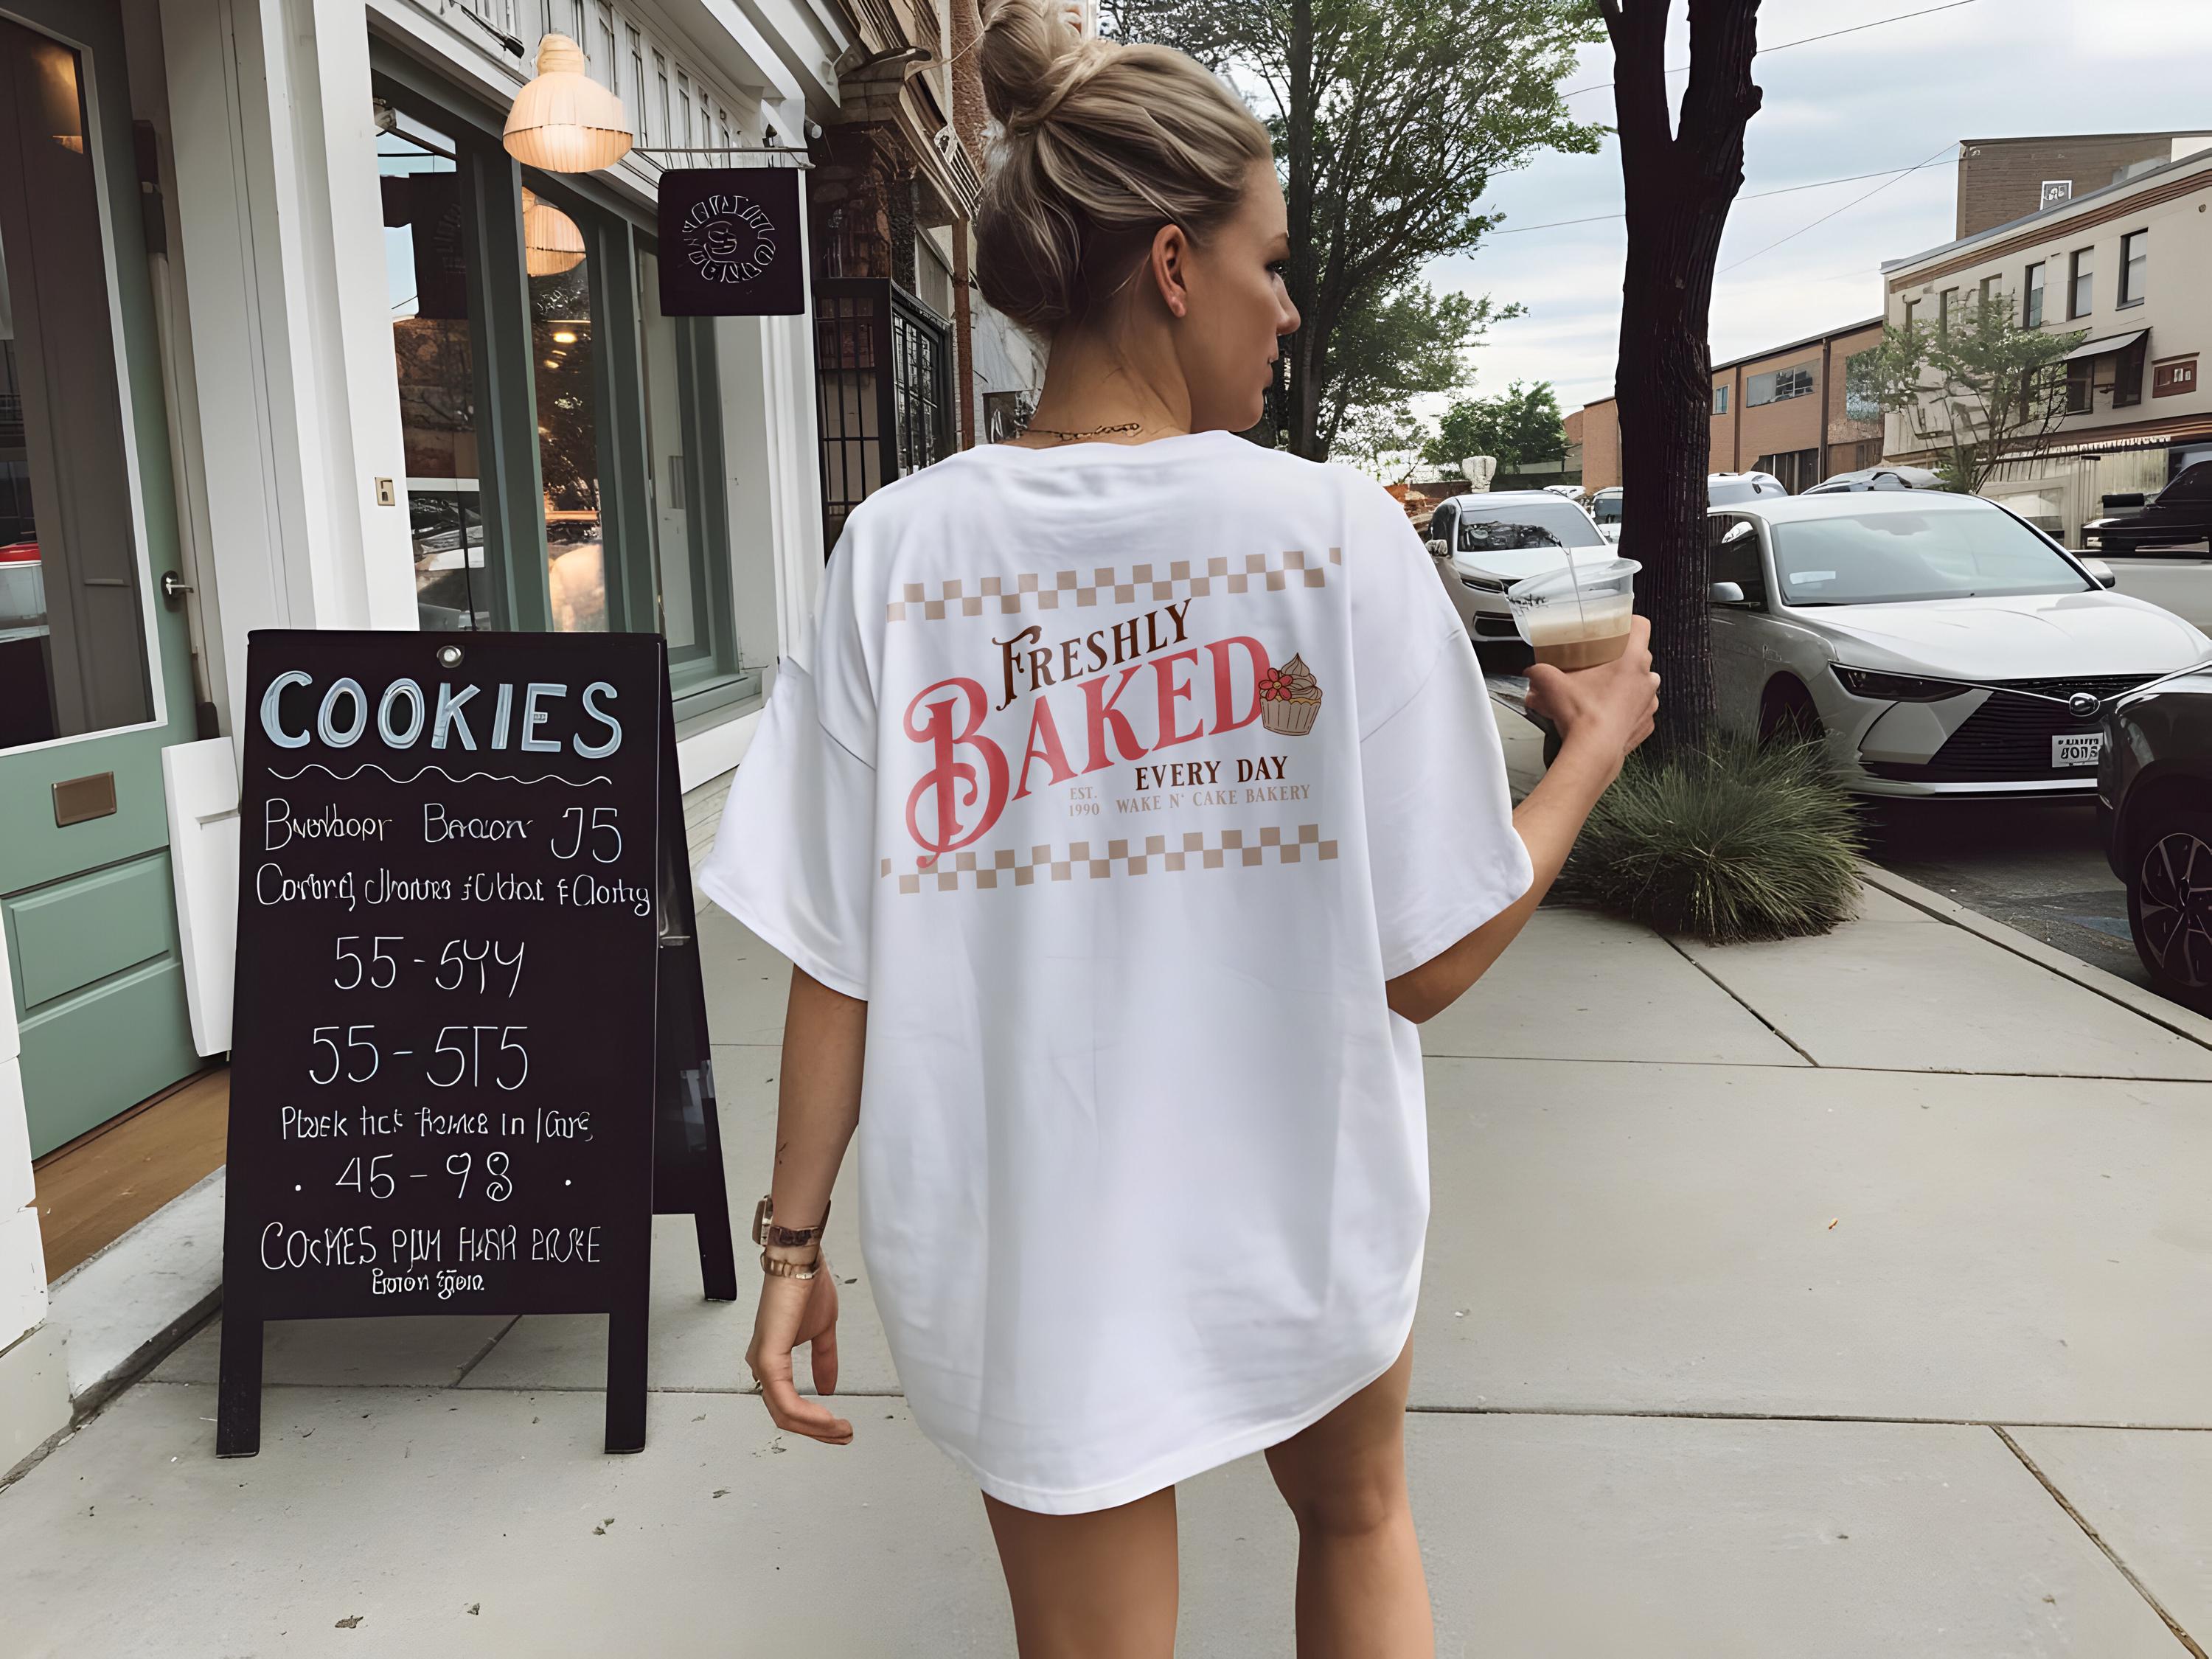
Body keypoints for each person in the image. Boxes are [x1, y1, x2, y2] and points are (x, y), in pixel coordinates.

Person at [697, 2, 1658, 1651]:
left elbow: (836, 953)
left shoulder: (898, 554)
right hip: (1293, 1198)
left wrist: (793, 1241)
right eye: (1268, 263)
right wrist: (1591, 754)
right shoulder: (1333, 536)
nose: (1287, 308)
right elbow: (1428, 961)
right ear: (1169, 266)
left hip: (1027, 1233)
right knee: (1359, 1519)